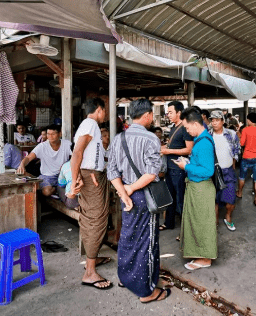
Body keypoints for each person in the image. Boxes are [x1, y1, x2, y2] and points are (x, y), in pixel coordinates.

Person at [106, 99, 171, 303]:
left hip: (125, 193)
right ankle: (147, 292)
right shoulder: (151, 138)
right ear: (146, 115)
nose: (152, 117)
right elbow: (152, 172)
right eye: (151, 114)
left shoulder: (118, 138)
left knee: (127, 237)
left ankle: (127, 278)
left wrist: (124, 193)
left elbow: (112, 171)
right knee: (147, 241)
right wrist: (132, 189)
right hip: (143, 195)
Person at [70, 98, 112, 289]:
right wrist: (75, 179)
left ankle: (92, 258)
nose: (106, 115)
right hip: (91, 176)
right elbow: (77, 153)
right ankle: (90, 272)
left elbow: (83, 154)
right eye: (105, 110)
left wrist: (79, 174)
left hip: (91, 174)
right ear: (99, 110)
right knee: (95, 219)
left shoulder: (88, 125)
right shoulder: (90, 124)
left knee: (95, 218)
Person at [173, 107, 217, 270]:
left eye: (186, 127)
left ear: (195, 124)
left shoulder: (204, 142)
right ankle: (200, 255)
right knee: (197, 223)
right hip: (197, 188)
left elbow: (208, 171)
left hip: (201, 189)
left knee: (202, 224)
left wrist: (186, 167)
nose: (186, 130)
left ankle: (205, 259)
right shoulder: (201, 139)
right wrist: (189, 163)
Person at [159, 101, 193, 232]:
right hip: (170, 169)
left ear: (179, 113)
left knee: (181, 200)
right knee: (170, 199)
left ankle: (186, 231)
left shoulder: (184, 127)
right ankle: (169, 223)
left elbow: (189, 149)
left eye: (171, 112)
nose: (168, 115)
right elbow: (171, 146)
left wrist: (169, 152)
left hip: (179, 170)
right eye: (168, 112)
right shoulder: (174, 127)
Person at [17, 125, 72, 198]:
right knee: (46, 191)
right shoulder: (42, 146)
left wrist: (67, 165)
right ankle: (59, 190)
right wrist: (22, 164)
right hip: (46, 177)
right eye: (48, 134)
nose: (50, 136)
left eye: (53, 134)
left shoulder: (67, 144)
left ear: (60, 134)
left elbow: (75, 157)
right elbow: (29, 157)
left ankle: (59, 189)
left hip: (62, 175)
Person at [209, 110, 240, 231]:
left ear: (222, 121)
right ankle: (215, 221)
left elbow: (237, 150)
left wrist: (233, 164)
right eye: (212, 120)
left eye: (217, 120)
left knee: (231, 198)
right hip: (213, 172)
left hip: (228, 171)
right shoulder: (208, 135)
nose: (214, 123)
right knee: (214, 199)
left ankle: (228, 217)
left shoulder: (231, 134)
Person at [237, 112, 256, 206]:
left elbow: (242, 144)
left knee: (242, 176)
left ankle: (240, 193)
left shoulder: (245, 130)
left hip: (246, 156)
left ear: (249, 120)